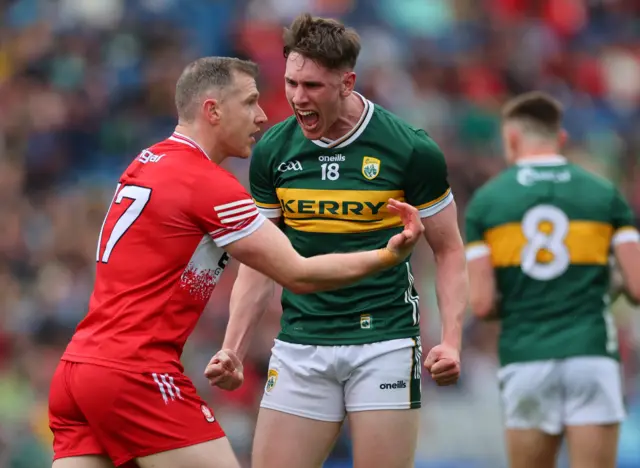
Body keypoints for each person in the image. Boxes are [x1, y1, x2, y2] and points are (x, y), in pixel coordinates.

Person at [47, 56, 426, 468]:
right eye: (249, 103)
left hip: (77, 373)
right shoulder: (206, 183)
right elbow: (297, 273)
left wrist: (232, 346)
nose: (262, 117)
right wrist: (389, 254)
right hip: (135, 374)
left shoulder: (147, 161)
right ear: (212, 110)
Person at [205, 14, 468, 468]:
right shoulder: (273, 151)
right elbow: (260, 258)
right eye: (291, 83)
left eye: (312, 87)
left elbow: (448, 249)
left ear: (347, 83)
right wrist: (233, 346)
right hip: (302, 342)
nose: (297, 98)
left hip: (383, 341)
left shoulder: (410, 149)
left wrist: (452, 340)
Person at [464, 91, 640, 468]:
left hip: (526, 357)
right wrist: (604, 288)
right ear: (560, 140)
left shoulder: (487, 202)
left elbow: (480, 303)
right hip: (592, 354)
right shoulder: (605, 194)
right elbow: (638, 286)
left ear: (511, 139)